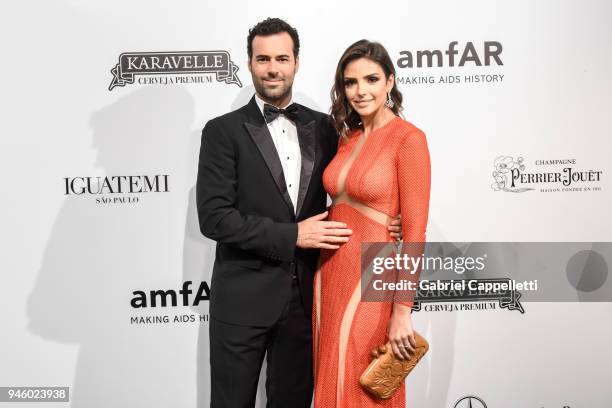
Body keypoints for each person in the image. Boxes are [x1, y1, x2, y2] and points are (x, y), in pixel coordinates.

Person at [196, 19, 402, 407]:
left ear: (296, 63)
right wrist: (292, 236)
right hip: (242, 301)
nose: (272, 68)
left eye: (281, 58)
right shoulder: (222, 132)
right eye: (263, 59)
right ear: (249, 63)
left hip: (310, 301)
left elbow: (350, 191)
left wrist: (388, 217)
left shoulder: (327, 128)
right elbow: (214, 218)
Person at [313, 40, 431, 407]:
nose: (361, 91)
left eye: (371, 79)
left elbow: (414, 234)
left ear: (390, 82)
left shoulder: (408, 139)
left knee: (363, 381)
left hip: (374, 275)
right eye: (351, 82)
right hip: (329, 275)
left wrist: (402, 312)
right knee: (331, 373)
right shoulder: (345, 138)